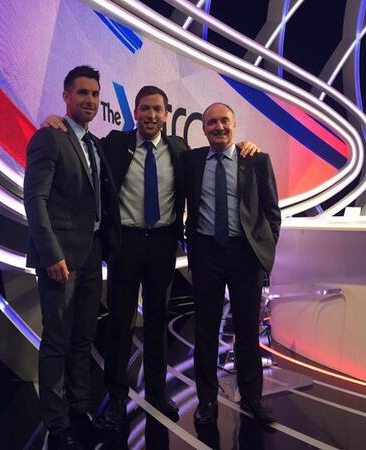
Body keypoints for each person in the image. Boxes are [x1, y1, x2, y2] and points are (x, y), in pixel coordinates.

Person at [40, 89, 259, 432]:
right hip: (125, 245)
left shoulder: (180, 150)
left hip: (162, 245)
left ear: (167, 114)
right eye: (145, 109)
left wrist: (247, 146)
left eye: (157, 109)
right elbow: (80, 142)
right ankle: (115, 398)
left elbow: (218, 158)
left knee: (157, 320)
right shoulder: (113, 144)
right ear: (136, 112)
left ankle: (157, 392)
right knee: (120, 325)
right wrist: (55, 123)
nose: (151, 115)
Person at [24, 65, 120, 450]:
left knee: (83, 339)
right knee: (57, 342)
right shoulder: (50, 137)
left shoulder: (95, 144)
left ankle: (80, 410)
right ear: (66, 96)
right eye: (83, 93)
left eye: (95, 95)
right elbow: (35, 199)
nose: (90, 101)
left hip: (91, 256)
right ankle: (56, 421)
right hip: (59, 259)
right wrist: (50, 253)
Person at [182, 103, 281, 425]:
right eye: (211, 123)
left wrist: (264, 248)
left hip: (244, 254)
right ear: (203, 128)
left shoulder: (256, 160)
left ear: (235, 124)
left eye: (224, 121)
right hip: (207, 252)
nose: (218, 127)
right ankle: (206, 400)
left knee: (247, 332)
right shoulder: (192, 161)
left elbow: (271, 212)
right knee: (207, 332)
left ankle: (252, 399)